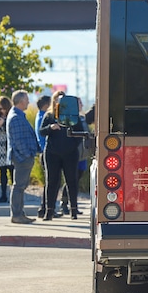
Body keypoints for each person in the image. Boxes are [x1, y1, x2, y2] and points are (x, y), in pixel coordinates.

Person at [39, 92, 86, 220]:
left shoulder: (73, 117)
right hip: (52, 153)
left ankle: (74, 210)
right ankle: (49, 211)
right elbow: (41, 131)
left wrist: (72, 144)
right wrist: (51, 127)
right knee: (52, 181)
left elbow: (80, 134)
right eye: (58, 101)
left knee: (72, 181)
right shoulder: (49, 116)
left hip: (70, 153)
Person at [6, 90, 40, 224]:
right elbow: (19, 141)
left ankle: (20, 213)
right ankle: (17, 214)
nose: (28, 102)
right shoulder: (15, 117)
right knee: (19, 186)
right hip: (22, 158)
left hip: (23, 157)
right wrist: (28, 154)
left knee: (20, 186)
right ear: (20, 101)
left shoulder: (18, 115)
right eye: (26, 99)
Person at [34, 95, 52, 219]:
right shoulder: (43, 118)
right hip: (46, 152)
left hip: (44, 151)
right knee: (49, 182)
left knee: (48, 181)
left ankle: (44, 207)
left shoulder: (39, 116)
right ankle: (44, 207)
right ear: (46, 105)